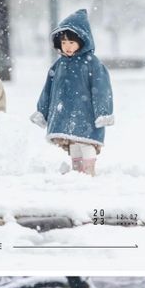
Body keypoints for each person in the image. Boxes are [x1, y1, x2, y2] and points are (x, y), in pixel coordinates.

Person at [30, 9, 114, 176]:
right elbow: (48, 90)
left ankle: (89, 171)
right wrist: (42, 111)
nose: (67, 47)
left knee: (87, 143)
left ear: (82, 41)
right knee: (73, 143)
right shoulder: (58, 65)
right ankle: (77, 172)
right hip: (65, 113)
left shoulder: (92, 64)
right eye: (64, 43)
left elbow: (102, 90)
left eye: (71, 42)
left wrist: (103, 112)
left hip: (86, 113)